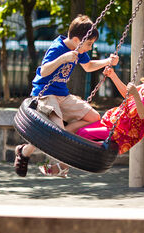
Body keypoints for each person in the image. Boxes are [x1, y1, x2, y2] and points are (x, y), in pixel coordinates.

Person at [14, 15, 119, 178]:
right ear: (77, 40)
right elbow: (43, 71)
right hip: (46, 94)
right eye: (89, 44)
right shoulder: (58, 48)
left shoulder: (79, 49)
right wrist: (63, 59)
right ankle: (56, 165)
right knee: (57, 132)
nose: (90, 48)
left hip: (62, 94)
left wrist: (107, 61)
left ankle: (26, 150)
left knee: (93, 117)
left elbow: (89, 66)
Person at [38, 66, 144, 175]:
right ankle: (62, 164)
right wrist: (113, 75)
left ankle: (62, 167)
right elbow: (126, 94)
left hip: (122, 133)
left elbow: (143, 114)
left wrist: (136, 95)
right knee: (78, 128)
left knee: (84, 134)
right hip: (113, 121)